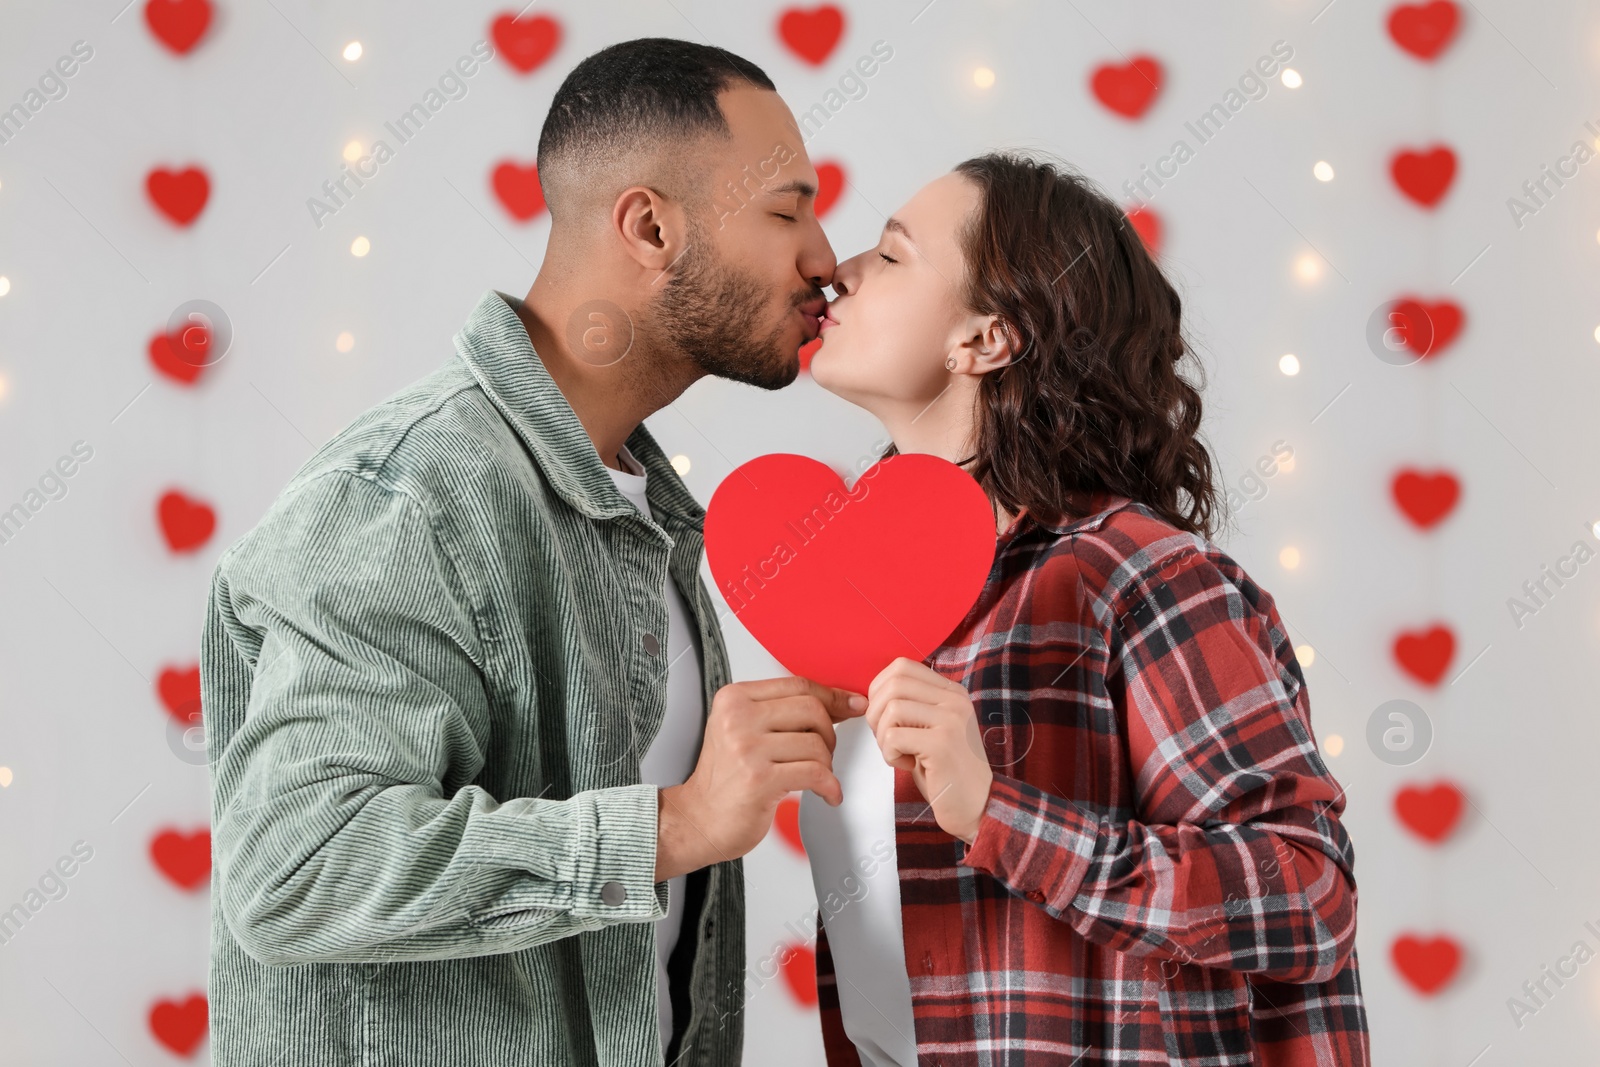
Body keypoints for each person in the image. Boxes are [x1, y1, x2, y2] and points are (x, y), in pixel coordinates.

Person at [200, 38, 861, 1067]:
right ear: (649, 225)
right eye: (786, 210)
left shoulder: (648, 513)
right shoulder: (407, 497)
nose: (823, 257)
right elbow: (297, 866)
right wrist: (672, 824)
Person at [798, 153, 1371, 1065]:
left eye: (892, 255)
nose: (843, 271)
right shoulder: (855, 594)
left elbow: (1307, 894)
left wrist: (999, 813)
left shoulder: (1135, 576)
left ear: (986, 338)